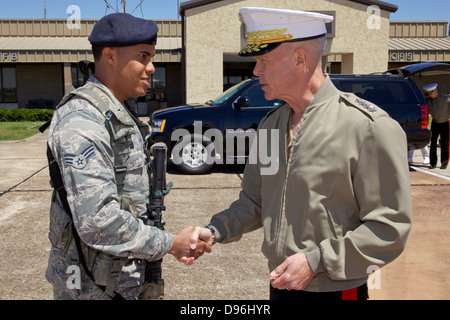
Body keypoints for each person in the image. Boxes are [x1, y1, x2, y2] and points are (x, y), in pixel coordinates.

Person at [191, 7, 412, 300]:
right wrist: (215, 230)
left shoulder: (368, 127)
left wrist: (315, 261)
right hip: (281, 283)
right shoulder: (272, 124)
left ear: (300, 60)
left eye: (264, 60)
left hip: (335, 290)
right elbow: (256, 200)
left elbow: (389, 227)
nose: (256, 71)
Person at [45, 13, 210, 300]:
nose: (152, 68)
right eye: (143, 57)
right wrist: (171, 243)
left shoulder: (119, 111)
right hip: (91, 288)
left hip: (119, 281)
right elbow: (98, 221)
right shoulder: (83, 120)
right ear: (109, 56)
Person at [423, 83, 450, 169]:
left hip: (445, 123)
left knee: (445, 144)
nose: (430, 95)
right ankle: (433, 163)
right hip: (435, 123)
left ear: (435, 91)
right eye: (428, 94)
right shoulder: (428, 101)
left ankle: (444, 163)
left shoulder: (446, 99)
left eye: (431, 93)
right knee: (433, 143)